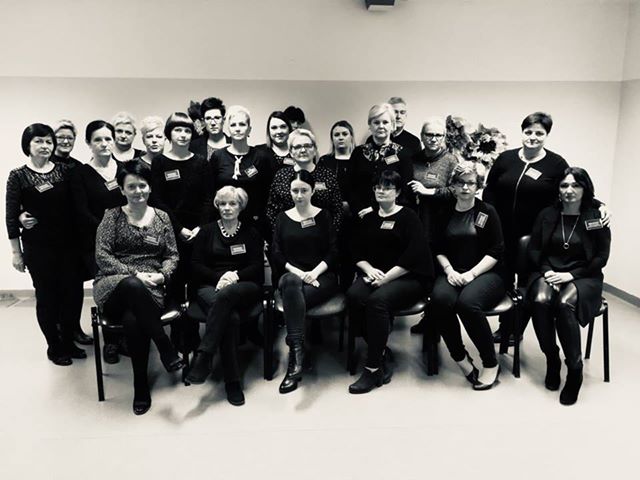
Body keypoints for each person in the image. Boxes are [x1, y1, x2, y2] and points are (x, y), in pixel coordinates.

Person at [483, 112, 610, 344]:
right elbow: (490, 189)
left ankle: (515, 330)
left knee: (525, 284)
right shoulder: (506, 158)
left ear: (547, 135)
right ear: (522, 133)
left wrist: (599, 206)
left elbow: (574, 188)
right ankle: (504, 327)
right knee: (504, 280)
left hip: (534, 235)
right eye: (528, 132)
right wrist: (489, 218)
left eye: (539, 133)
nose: (533, 137)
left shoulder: (556, 164)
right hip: (502, 233)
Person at [93, 160, 183, 415]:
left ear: (150, 187)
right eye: (131, 186)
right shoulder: (111, 216)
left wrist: (163, 276)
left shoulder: (162, 217)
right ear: (122, 189)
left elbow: (172, 255)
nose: (137, 191)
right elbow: (102, 256)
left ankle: (140, 385)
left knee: (133, 320)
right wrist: (135, 274)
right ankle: (164, 345)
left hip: (151, 287)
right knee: (132, 285)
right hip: (113, 284)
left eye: (142, 185)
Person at [527, 167, 611, 405]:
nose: (569, 190)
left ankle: (574, 369)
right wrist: (548, 272)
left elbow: (601, 257)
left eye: (576, 185)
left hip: (585, 276)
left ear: (585, 189)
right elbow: (535, 249)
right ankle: (552, 359)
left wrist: (570, 275)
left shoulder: (595, 217)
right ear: (558, 189)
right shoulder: (547, 214)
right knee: (540, 300)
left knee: (565, 304)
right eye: (564, 185)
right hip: (549, 271)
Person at [6, 123, 87, 365]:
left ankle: (69, 342)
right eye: (39, 141)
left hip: (69, 245)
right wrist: (16, 252)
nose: (45, 146)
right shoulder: (18, 175)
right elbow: (11, 216)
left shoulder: (64, 170)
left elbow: (77, 204)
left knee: (72, 295)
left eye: (49, 141)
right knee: (47, 298)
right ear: (28, 145)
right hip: (38, 247)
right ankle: (54, 346)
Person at [347, 170, 434, 394]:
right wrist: (369, 269)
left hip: (408, 277)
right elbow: (356, 251)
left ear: (397, 192)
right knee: (354, 297)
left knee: (377, 301)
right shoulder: (369, 218)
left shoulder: (409, 217)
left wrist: (386, 278)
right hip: (375, 275)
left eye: (387, 187)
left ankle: (373, 367)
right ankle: (381, 350)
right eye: (377, 187)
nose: (381, 191)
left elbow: (415, 254)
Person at [185, 186, 265, 406]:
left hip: (244, 285)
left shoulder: (251, 232)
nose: (227, 208)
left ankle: (204, 355)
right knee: (230, 318)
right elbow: (195, 265)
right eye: (222, 203)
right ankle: (232, 381)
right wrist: (219, 277)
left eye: (232, 203)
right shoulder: (206, 232)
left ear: (241, 206)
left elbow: (257, 266)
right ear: (217, 206)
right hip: (210, 285)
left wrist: (234, 276)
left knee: (228, 295)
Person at [429, 162, 506, 390]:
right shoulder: (443, 212)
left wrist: (472, 274)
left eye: (470, 183)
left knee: (467, 303)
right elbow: (437, 248)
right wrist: (449, 271)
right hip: (453, 271)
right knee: (440, 300)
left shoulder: (487, 212)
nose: (465, 187)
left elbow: (496, 250)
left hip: (487, 272)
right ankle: (460, 357)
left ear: (477, 186)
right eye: (460, 183)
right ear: (452, 186)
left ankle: (490, 363)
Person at [272, 170, 339, 394]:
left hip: (322, 277)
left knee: (293, 300)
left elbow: (333, 251)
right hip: (292, 275)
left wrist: (315, 273)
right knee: (291, 284)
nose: (299, 195)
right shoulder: (282, 218)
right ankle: (297, 354)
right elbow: (277, 254)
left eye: (304, 190)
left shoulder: (324, 216)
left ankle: (295, 356)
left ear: (312, 191)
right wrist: (301, 274)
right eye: (295, 191)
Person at [150, 112, 212, 349]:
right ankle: (177, 333)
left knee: (196, 283)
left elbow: (208, 198)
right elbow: (157, 200)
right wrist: (179, 229)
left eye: (187, 130)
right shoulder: (159, 163)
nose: (183, 135)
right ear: (169, 134)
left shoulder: (201, 162)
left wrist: (199, 228)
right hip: (171, 232)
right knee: (174, 284)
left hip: (198, 233)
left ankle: (193, 333)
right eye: (178, 130)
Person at [69, 120, 127, 362]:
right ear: (88, 143)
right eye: (98, 140)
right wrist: (108, 233)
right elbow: (81, 211)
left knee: (128, 287)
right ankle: (111, 342)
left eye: (107, 139)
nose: (104, 144)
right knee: (108, 289)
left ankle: (126, 336)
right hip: (97, 243)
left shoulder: (124, 168)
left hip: (128, 241)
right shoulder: (80, 174)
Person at [408, 117, 458, 334]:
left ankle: (435, 322)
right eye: (429, 134)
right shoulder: (413, 159)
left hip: (440, 225)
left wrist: (429, 192)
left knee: (437, 274)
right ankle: (427, 318)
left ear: (444, 137)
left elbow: (458, 190)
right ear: (422, 136)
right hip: (416, 223)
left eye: (438, 135)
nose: (434, 139)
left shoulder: (451, 160)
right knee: (421, 273)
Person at [210, 105, 275, 241]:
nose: (238, 128)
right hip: (224, 220)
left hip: (253, 223)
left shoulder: (261, 157)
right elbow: (210, 191)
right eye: (233, 125)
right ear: (228, 129)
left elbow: (267, 193)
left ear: (249, 129)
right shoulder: (218, 156)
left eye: (242, 124)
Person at [266, 128, 343, 234]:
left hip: (322, 236)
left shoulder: (328, 175)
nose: (303, 150)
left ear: (315, 149)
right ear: (291, 152)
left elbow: (337, 209)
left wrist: (329, 235)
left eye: (307, 146)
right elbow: (272, 210)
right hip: (288, 237)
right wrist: (282, 235)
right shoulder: (281, 176)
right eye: (297, 147)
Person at [347, 104, 413, 218]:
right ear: (370, 125)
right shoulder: (358, 153)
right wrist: (359, 209)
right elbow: (350, 186)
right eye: (376, 122)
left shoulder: (403, 154)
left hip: (391, 215)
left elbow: (405, 190)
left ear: (392, 125)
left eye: (385, 122)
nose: (381, 126)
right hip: (360, 215)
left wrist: (375, 208)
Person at [318, 120, 356, 290]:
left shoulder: (358, 159)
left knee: (350, 256)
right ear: (332, 138)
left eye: (344, 134)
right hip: (330, 217)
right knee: (332, 254)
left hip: (354, 218)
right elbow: (319, 189)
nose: (340, 138)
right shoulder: (325, 161)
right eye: (336, 135)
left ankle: (347, 293)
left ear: (351, 137)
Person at [189, 97, 229, 161]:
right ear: (203, 121)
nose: (213, 123)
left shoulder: (234, 144)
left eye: (217, 118)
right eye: (208, 118)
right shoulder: (193, 146)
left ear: (223, 120)